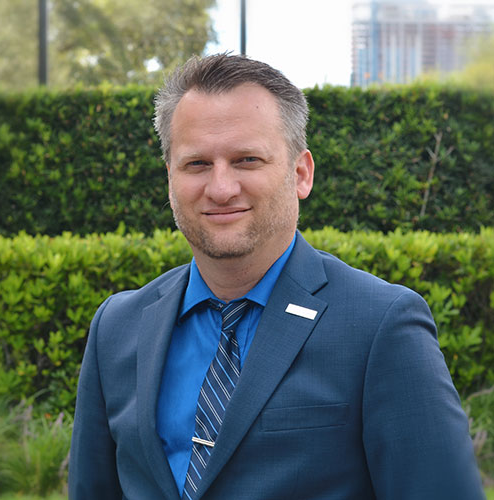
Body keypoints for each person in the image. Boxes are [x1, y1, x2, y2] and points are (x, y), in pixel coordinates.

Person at [69, 54, 484, 500]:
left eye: (247, 159)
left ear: (300, 173)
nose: (222, 187)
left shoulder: (381, 326)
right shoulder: (118, 327)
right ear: (169, 176)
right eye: (197, 164)